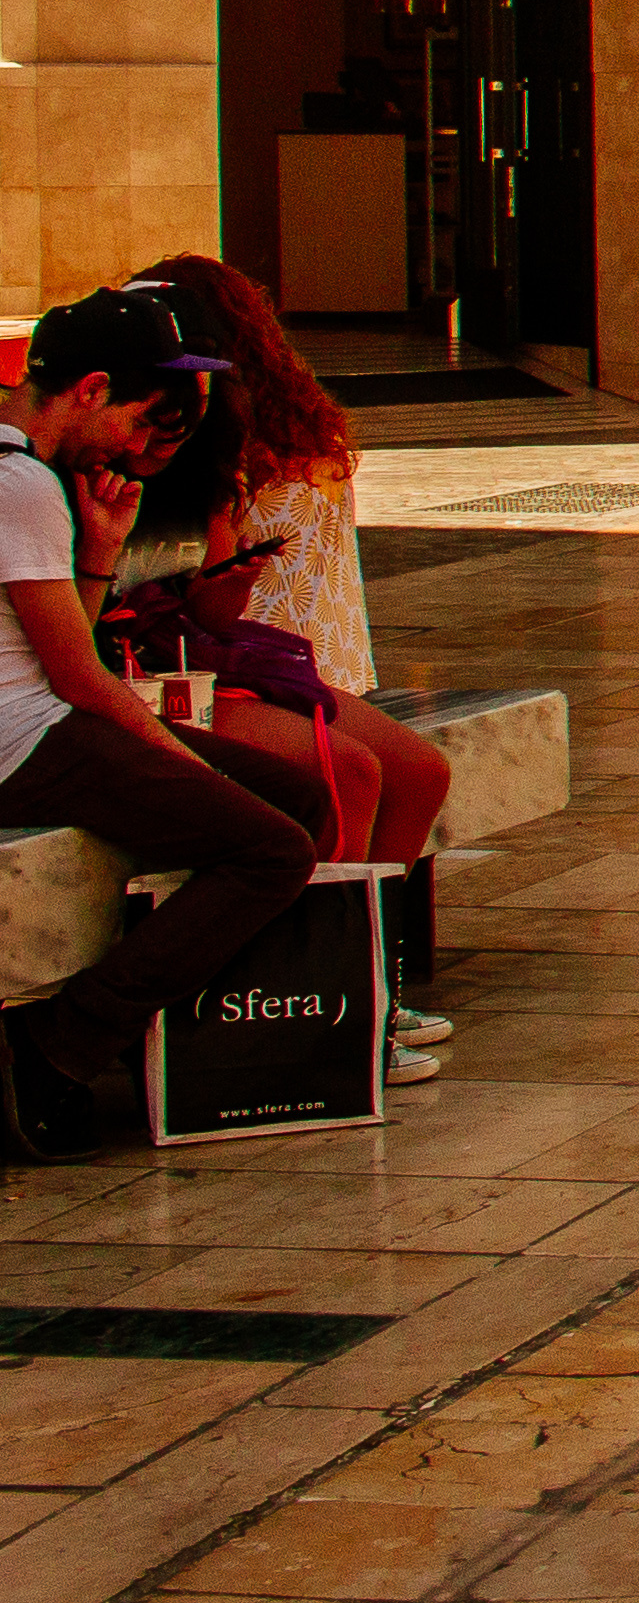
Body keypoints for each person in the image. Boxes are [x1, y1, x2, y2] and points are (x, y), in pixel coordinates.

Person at [103, 261, 458, 1083]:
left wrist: (217, 590)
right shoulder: (116, 454)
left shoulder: (224, 446)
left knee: (419, 768)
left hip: (235, 656)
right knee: (353, 772)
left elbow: (213, 609)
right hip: (162, 670)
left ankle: (364, 982)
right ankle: (311, 1001)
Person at [0, 286, 323, 1159]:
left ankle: (178, 1041)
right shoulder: (21, 481)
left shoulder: (25, 473)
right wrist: (177, 758)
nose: (144, 447)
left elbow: (55, 637)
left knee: (298, 795)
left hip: (42, 719)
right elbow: (73, 675)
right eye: (144, 419)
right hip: (22, 740)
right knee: (275, 845)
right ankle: (54, 1049)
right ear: (92, 388)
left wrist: (100, 553)